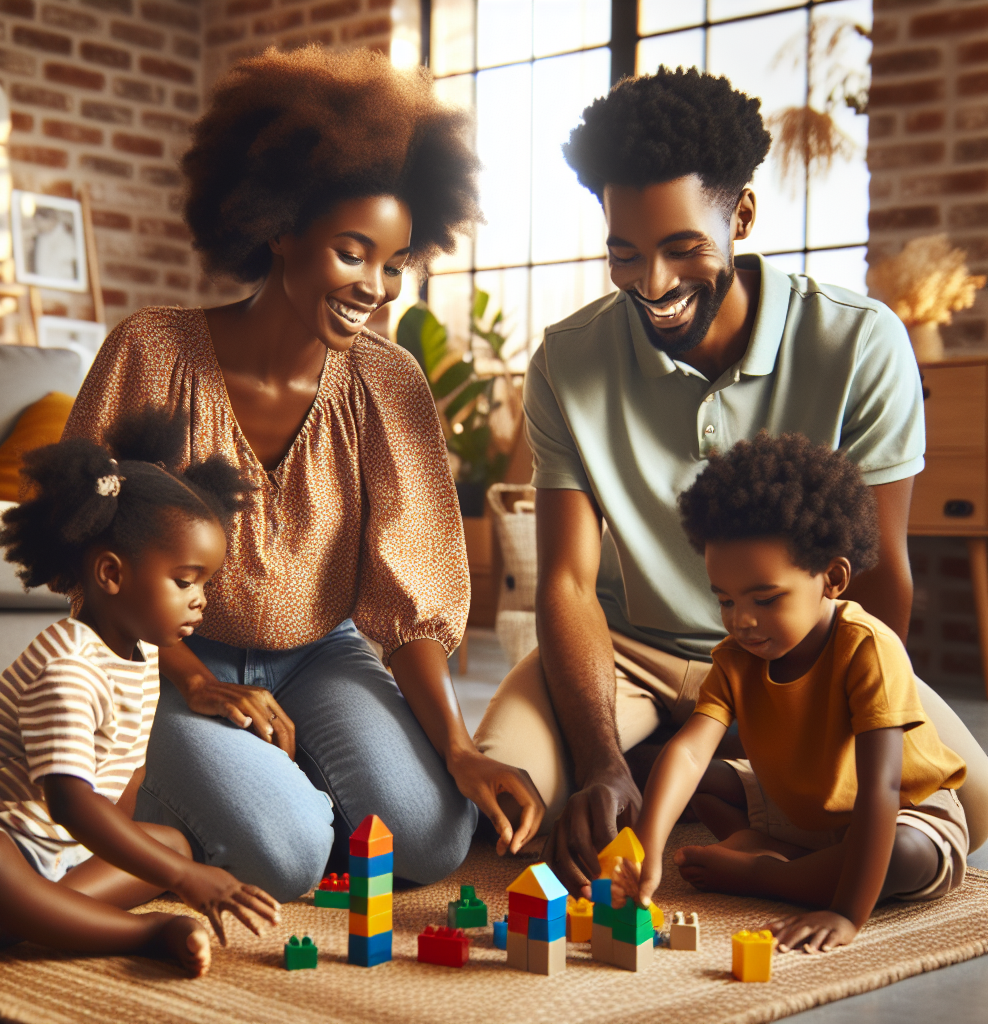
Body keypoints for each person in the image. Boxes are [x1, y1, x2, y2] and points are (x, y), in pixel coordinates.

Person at [473, 66, 988, 895]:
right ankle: (645, 761)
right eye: (626, 253)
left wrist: (797, 715)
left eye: (684, 249)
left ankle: (706, 773)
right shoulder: (568, 362)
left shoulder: (861, 344)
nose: (654, 285)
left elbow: (880, 574)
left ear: (741, 214)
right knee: (512, 795)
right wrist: (601, 759)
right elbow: (566, 581)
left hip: (797, 650)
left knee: (975, 803)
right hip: (628, 654)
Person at [64, 45, 544, 903]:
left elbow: (414, 603)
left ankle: (269, 794)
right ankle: (178, 801)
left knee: (431, 839)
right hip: (165, 654)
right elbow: (91, 549)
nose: (377, 288)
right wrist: (197, 679)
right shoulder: (153, 350)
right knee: (287, 858)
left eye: (395, 264)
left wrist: (462, 748)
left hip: (320, 654)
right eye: (353, 253)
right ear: (279, 227)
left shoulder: (388, 382)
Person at [610, 433, 968, 953]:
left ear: (833, 578)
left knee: (906, 856)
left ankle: (770, 875)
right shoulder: (737, 658)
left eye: (765, 598)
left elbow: (880, 791)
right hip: (804, 811)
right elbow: (689, 751)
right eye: (726, 600)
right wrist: (648, 846)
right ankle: (794, 861)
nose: (743, 621)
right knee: (670, 774)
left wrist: (845, 913)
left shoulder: (866, 648)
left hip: (902, 811)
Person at [0, 409, 279, 976]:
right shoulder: (66, 668)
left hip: (61, 854)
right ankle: (146, 932)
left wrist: (170, 863)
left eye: (204, 583)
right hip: (6, 836)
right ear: (111, 574)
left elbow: (123, 778)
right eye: (185, 582)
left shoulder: (142, 653)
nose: (200, 599)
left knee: (171, 844)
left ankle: (13, 923)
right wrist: (182, 885)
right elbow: (73, 803)